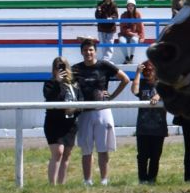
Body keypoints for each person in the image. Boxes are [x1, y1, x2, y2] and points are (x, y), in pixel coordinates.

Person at [71, 36, 128, 185]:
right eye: (85, 50)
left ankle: (104, 179)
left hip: (102, 110)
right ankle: (87, 180)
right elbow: (65, 85)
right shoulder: (76, 69)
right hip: (84, 112)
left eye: (90, 50)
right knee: (86, 149)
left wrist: (112, 96)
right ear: (81, 52)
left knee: (103, 148)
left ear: (95, 52)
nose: (88, 52)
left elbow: (125, 79)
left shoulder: (104, 65)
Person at [42, 56, 79, 184]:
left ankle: (62, 184)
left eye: (63, 65)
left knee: (66, 155)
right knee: (58, 152)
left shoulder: (74, 84)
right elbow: (49, 97)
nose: (60, 68)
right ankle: (52, 184)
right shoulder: (50, 83)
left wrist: (74, 110)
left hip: (70, 123)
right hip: (54, 123)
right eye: (57, 66)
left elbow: (81, 100)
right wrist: (57, 82)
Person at [134, 59, 172, 182]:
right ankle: (142, 179)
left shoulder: (162, 84)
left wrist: (158, 94)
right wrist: (138, 73)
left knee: (155, 156)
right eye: (145, 70)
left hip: (159, 127)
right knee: (142, 156)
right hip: (143, 127)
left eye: (150, 70)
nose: (148, 73)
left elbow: (168, 89)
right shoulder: (142, 83)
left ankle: (152, 179)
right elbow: (134, 91)